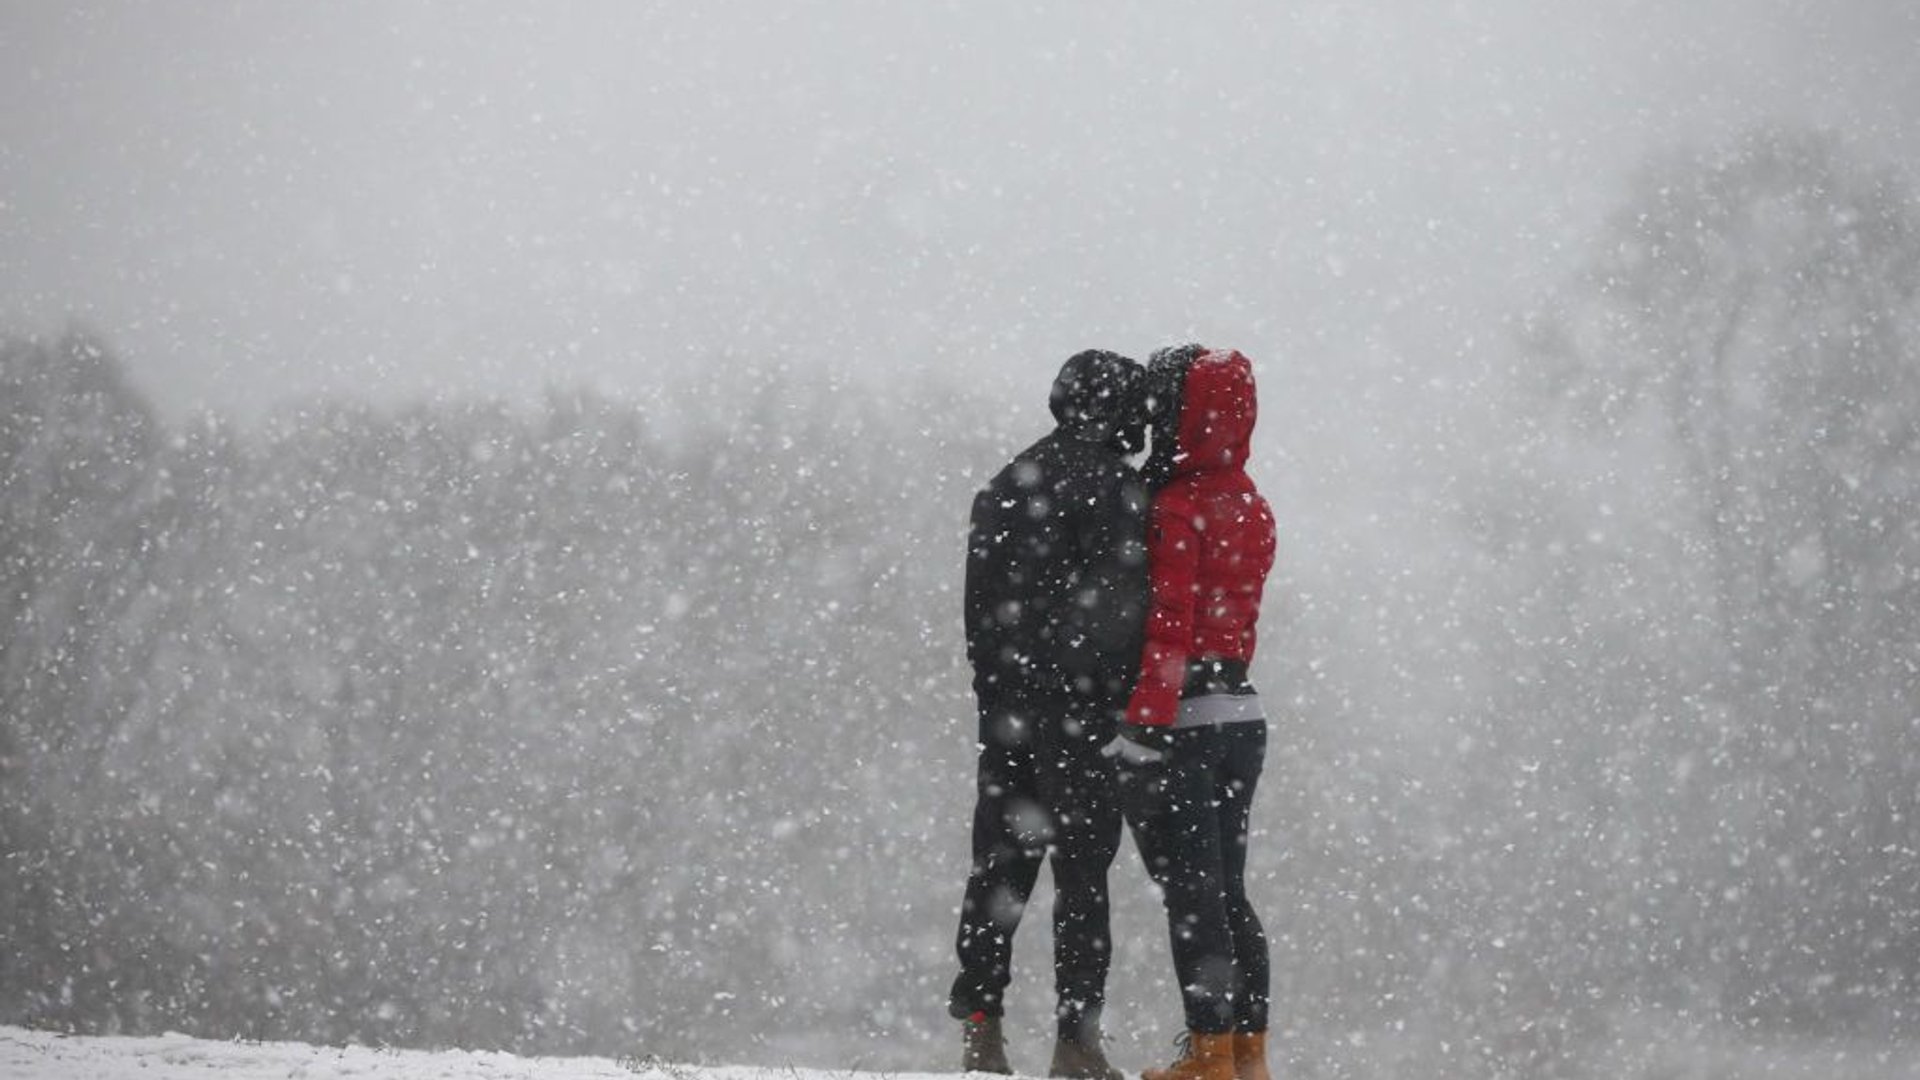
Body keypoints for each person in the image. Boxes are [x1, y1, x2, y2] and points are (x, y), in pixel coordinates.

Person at [949, 350, 1151, 1080]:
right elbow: (1120, 612)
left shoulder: (1010, 481)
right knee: (1083, 878)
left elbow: (978, 607)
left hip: (1008, 710)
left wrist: (996, 692)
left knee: (998, 871)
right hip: (1079, 713)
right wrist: (1114, 703)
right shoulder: (1119, 490)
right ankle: (1076, 1040)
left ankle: (981, 1029)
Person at [1107, 346, 1278, 1080]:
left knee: (1192, 895)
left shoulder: (1177, 508)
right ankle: (1248, 1055)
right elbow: (1237, 621)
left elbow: (1169, 625)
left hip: (1189, 718)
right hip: (1244, 713)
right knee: (1230, 890)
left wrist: (1142, 728)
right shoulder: (1252, 503)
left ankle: (1207, 1054)